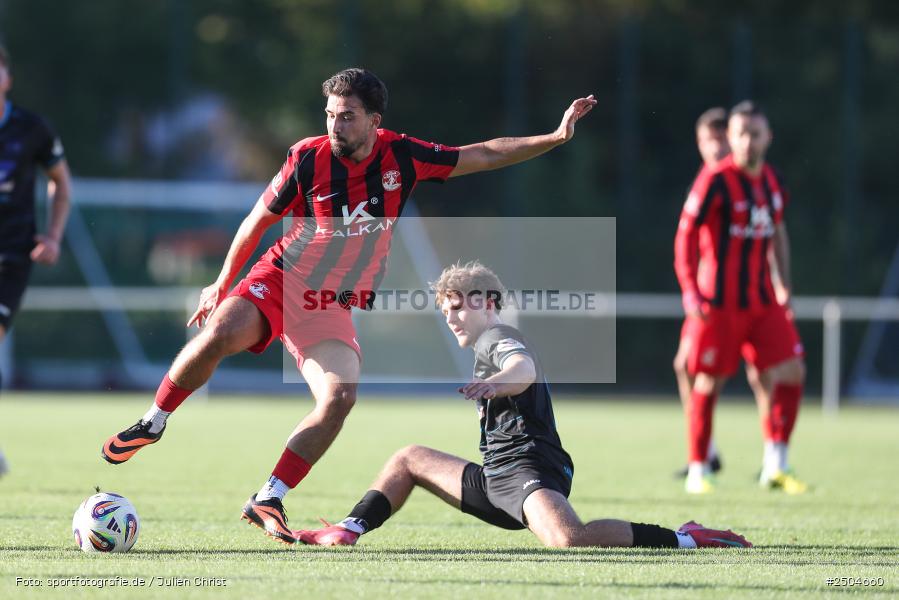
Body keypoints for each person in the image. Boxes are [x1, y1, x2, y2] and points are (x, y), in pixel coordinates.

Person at [101, 68, 598, 544]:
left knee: (339, 398)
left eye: (346, 116)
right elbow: (256, 221)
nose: (335, 125)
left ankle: (268, 497)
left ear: (373, 121)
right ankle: (154, 420)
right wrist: (221, 282)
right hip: (281, 279)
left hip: (330, 304)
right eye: (330, 115)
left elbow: (482, 154)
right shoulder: (307, 158)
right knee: (219, 333)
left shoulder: (402, 156)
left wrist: (554, 138)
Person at [295, 261, 751, 549]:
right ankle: (349, 529)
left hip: (531, 467)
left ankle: (685, 537)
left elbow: (523, 369)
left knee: (568, 539)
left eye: (459, 306)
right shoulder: (484, 343)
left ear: (488, 304)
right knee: (408, 459)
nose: (451, 316)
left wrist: (495, 384)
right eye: (446, 309)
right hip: (497, 478)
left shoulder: (498, 336)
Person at [674, 100, 807, 495]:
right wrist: (690, 291)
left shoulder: (773, 181)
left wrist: (784, 285)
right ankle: (699, 468)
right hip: (719, 303)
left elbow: (778, 233)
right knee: (707, 381)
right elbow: (685, 237)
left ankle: (776, 464)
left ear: (768, 137)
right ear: (730, 138)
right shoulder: (715, 180)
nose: (748, 141)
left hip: (763, 302)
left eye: (755, 133)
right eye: (741, 134)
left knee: (793, 372)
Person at [0, 44, 72, 477]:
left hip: (10, 255)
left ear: (7, 77)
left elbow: (60, 183)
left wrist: (53, 236)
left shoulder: (32, 129)